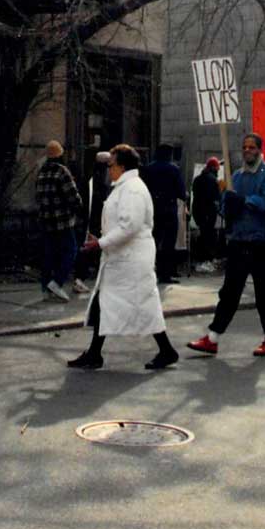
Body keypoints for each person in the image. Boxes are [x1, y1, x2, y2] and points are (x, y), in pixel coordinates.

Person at [68, 144, 179, 370]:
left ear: (121, 165)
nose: (108, 169)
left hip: (131, 261)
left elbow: (129, 226)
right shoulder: (126, 187)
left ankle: (165, 350)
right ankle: (95, 353)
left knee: (140, 306)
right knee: (109, 303)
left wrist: (100, 243)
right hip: (123, 260)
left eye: (111, 165)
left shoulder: (133, 189)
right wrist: (102, 238)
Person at [187, 133, 265, 357]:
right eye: (244, 147)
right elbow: (226, 207)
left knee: (264, 293)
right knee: (229, 292)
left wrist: (245, 202)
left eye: (252, 147)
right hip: (239, 240)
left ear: (260, 150)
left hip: (261, 241)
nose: (247, 150)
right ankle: (213, 337)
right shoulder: (237, 178)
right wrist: (226, 205)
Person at [35, 140, 84, 302]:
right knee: (70, 251)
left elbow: (38, 197)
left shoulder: (41, 173)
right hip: (62, 221)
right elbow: (73, 196)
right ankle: (57, 282)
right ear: (60, 155)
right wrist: (78, 209)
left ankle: (45, 289)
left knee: (48, 255)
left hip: (46, 221)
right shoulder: (62, 172)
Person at [140, 143, 187, 284]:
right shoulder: (173, 169)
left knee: (152, 241)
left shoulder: (148, 168)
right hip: (169, 210)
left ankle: (147, 271)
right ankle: (164, 274)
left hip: (152, 210)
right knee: (168, 243)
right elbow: (181, 191)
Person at [74, 151, 113, 292]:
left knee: (90, 248)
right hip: (98, 218)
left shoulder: (90, 178)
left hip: (93, 218)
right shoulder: (102, 179)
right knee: (92, 248)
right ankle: (82, 277)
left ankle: (82, 277)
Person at [191, 157, 223, 271]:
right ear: (214, 168)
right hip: (208, 212)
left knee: (203, 234)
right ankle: (206, 260)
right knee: (209, 236)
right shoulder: (213, 180)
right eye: (217, 168)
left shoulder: (197, 179)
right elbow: (216, 197)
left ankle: (200, 260)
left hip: (197, 211)